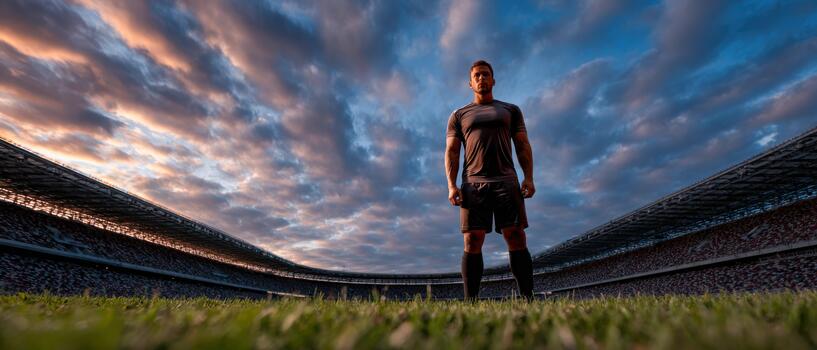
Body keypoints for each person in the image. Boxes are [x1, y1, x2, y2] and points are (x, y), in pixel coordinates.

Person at [445, 60, 535, 301]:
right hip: (473, 183)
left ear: (493, 80)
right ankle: (470, 302)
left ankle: (528, 299)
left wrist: (528, 177)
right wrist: (452, 185)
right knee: (472, 239)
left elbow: (522, 144)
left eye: (486, 74)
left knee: (516, 236)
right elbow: (452, 151)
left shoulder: (511, 110)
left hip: (507, 180)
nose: (481, 78)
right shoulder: (458, 115)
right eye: (477, 75)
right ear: (470, 82)